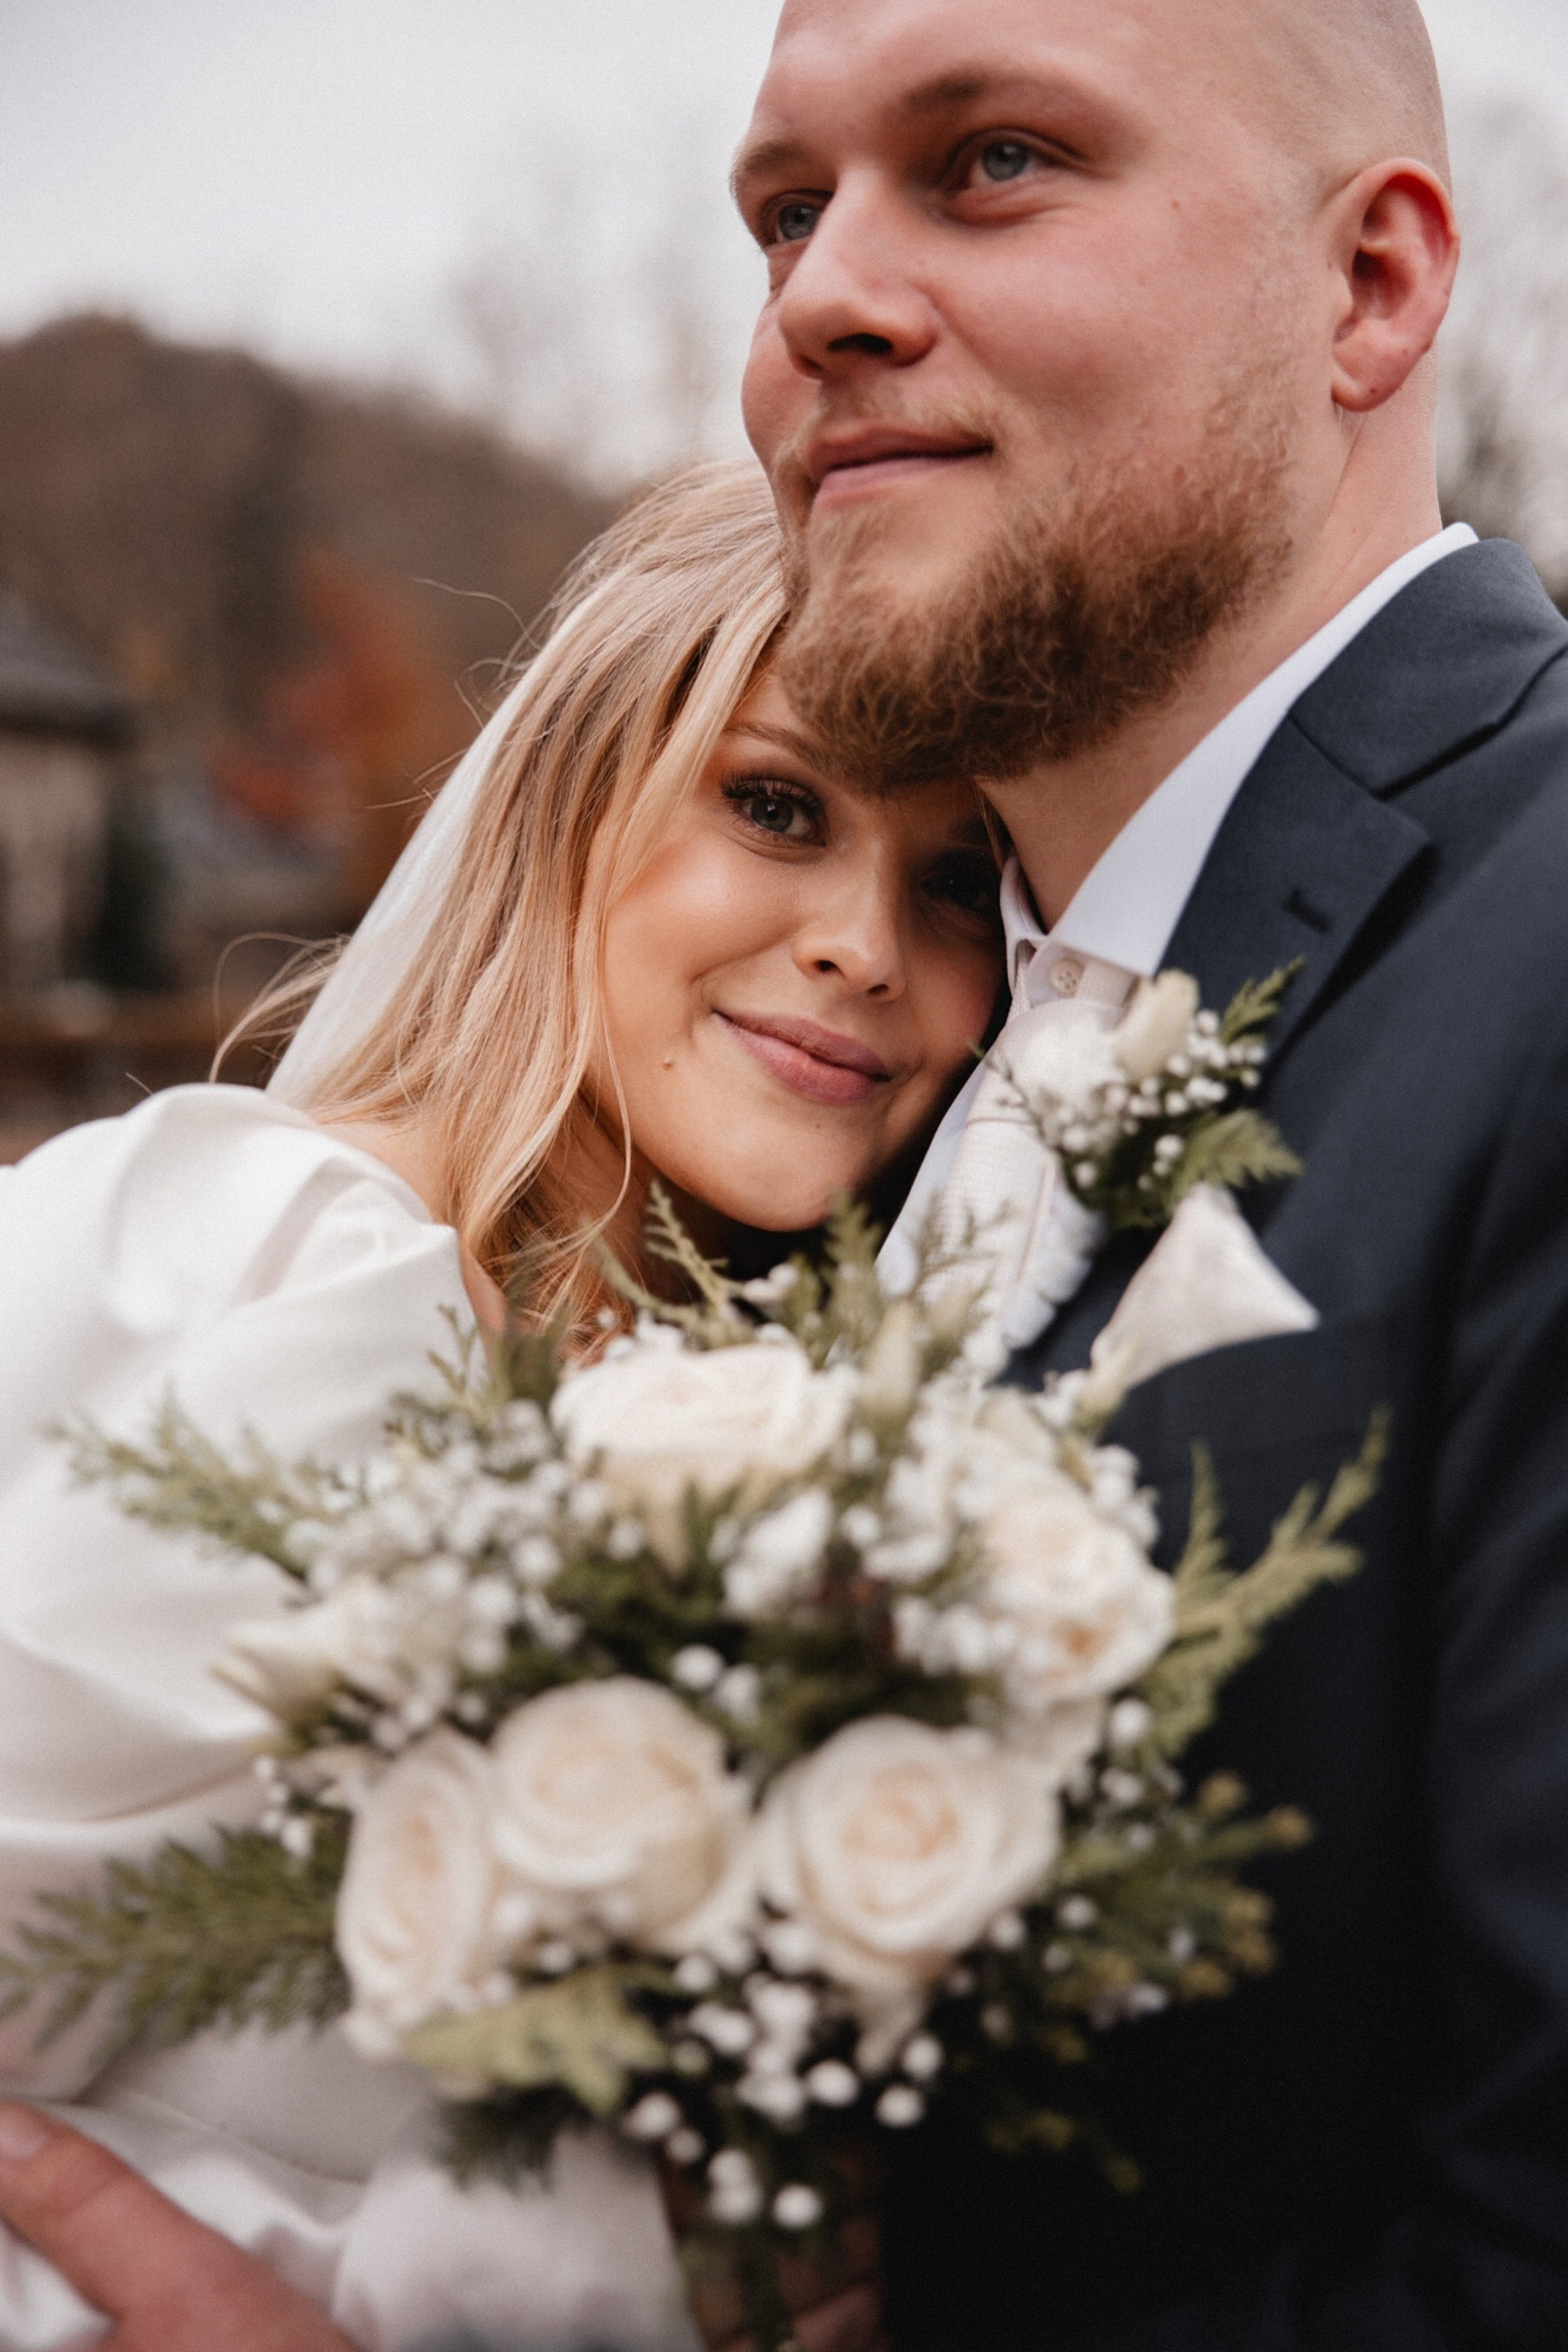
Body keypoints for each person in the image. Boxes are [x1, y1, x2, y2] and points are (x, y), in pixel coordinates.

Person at [18, 0, 1568, 2345]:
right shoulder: (986, 1116)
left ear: (1369, 286)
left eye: (1000, 158)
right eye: (781, 209)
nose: (820, 289)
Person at [0, 461, 1000, 2352]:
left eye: (959, 882)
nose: (868, 942)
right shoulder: (236, 1249)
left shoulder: (803, 1499)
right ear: (568, 804)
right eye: (775, 804)